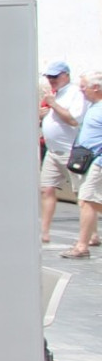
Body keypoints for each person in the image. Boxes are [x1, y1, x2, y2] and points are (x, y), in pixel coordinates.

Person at [40, 62, 85, 247]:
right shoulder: (56, 94)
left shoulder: (76, 94)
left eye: (54, 77)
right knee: (46, 189)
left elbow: (73, 120)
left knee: (82, 196)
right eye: (49, 77)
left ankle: (90, 234)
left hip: (70, 151)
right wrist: (43, 114)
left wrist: (53, 105)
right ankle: (44, 232)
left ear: (66, 75)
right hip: (52, 151)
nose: (51, 80)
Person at [61, 71, 102, 260]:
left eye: (83, 86)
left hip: (97, 162)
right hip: (88, 161)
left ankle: (81, 246)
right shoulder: (94, 106)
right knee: (90, 201)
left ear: (96, 87)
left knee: (87, 201)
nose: (81, 89)